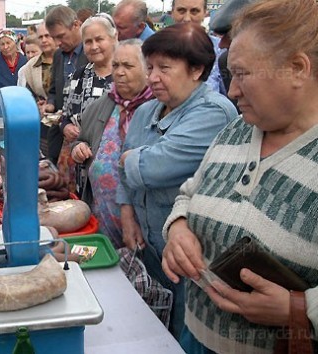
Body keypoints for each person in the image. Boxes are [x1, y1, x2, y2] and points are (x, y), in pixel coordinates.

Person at [162, 0, 318, 352]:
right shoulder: (235, 131)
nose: (231, 90)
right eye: (231, 75)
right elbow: (189, 193)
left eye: (243, 74)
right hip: (195, 337)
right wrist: (178, 227)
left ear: (297, 68)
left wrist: (300, 310)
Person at [116, 22, 237, 339]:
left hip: (189, 259)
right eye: (151, 67)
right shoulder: (146, 112)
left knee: (184, 332)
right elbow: (125, 166)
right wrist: (127, 211)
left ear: (196, 70)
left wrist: (134, 159)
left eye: (164, 68)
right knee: (152, 326)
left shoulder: (214, 113)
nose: (153, 77)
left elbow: (152, 168)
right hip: (149, 247)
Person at [71, 39, 153, 249]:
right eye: (116, 66)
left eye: (128, 66)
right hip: (103, 216)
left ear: (147, 70)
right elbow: (82, 139)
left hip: (144, 220)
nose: (119, 72)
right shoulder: (100, 105)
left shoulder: (159, 107)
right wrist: (78, 148)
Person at [57, 13, 118, 194]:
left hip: (115, 173)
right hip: (82, 168)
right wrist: (65, 127)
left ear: (114, 38)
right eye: (88, 42)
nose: (94, 46)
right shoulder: (77, 77)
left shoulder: (125, 76)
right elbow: (65, 116)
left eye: (99, 39)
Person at [44, 5, 89, 165]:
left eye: (61, 36)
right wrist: (50, 103)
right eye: (54, 37)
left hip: (85, 137)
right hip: (60, 135)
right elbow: (54, 89)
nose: (57, 43)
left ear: (76, 25)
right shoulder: (58, 56)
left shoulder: (91, 53)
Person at [17, 23, 57, 155]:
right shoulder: (30, 67)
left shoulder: (70, 60)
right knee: (49, 163)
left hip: (68, 127)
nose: (44, 40)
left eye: (48, 36)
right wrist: (36, 105)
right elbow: (27, 97)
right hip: (44, 126)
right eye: (41, 37)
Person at [171, 0, 225, 95]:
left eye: (194, 11)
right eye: (181, 11)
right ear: (172, 12)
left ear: (205, 13)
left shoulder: (221, 49)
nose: (187, 18)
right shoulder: (156, 50)